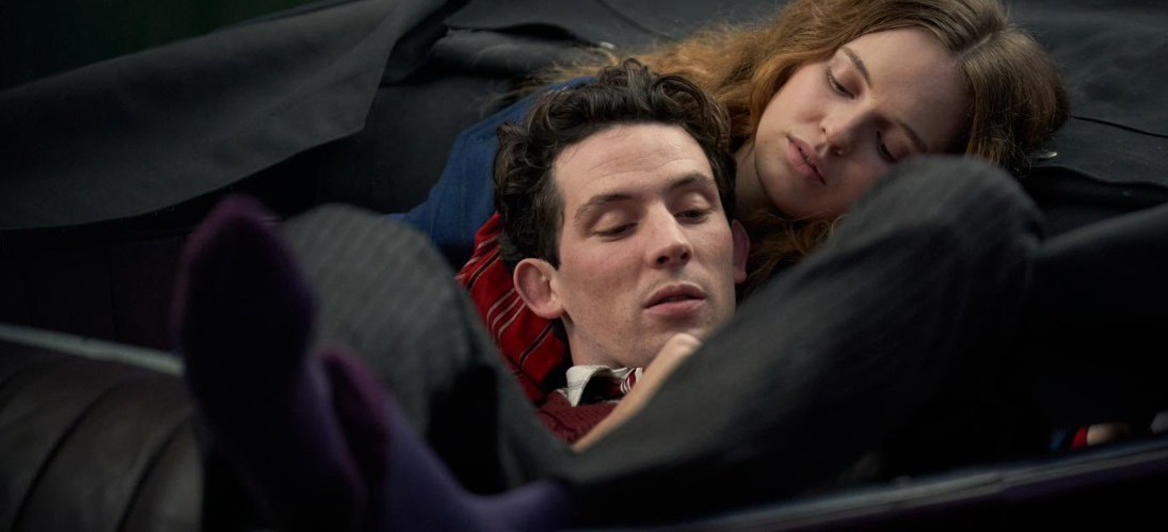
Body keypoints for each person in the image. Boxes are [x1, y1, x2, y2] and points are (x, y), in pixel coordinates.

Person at [174, 59, 1054, 530]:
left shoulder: (825, 357)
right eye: (614, 224)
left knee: (972, 206)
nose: (670, 241)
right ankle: (322, 465)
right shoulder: (492, 391)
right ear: (542, 287)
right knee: (343, 243)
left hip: (763, 465)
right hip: (477, 484)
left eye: (694, 211)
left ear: (738, 252)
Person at [396, 0, 1070, 406]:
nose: (836, 132)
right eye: (841, 83)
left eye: (889, 146)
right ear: (806, 49)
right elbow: (399, 261)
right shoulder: (585, 131)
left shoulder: (829, 316)